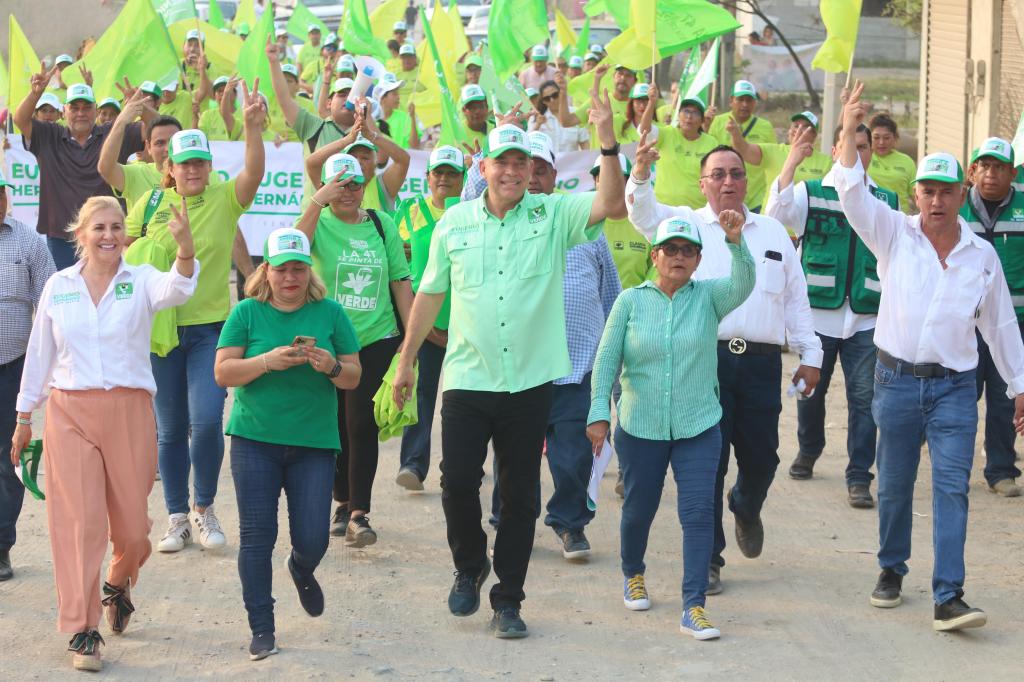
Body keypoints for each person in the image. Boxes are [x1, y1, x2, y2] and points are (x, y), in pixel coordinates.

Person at [389, 91, 625, 639]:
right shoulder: (456, 222)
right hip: (468, 379)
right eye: (505, 162)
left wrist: (608, 140)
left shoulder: (553, 215)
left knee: (520, 496)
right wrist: (405, 362)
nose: (515, 171)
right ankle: (469, 566)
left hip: (530, 383)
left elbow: (610, 204)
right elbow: (427, 294)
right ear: (485, 168)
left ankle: (509, 599)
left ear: (534, 171)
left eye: (525, 163)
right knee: (456, 485)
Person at [834, 82, 1024, 631]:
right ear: (914, 195)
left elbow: (1000, 325)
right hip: (894, 382)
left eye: (945, 191)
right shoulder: (892, 234)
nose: (936, 202)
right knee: (893, 484)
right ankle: (891, 569)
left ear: (961, 195)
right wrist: (850, 128)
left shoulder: (981, 256)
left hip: (955, 390)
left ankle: (949, 595)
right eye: (927, 192)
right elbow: (850, 192)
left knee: (950, 487)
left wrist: (1018, 384)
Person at [626, 137, 823, 594]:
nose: (729, 182)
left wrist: (811, 355)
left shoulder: (772, 231)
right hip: (704, 361)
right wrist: (639, 170)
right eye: (718, 174)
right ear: (703, 184)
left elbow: (796, 296)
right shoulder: (686, 225)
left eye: (736, 173)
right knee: (708, 463)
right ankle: (710, 559)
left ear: (746, 180)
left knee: (763, 458)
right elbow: (641, 214)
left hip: (759, 364)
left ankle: (747, 503)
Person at [12, 195, 197, 671]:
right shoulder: (59, 286)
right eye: (99, 228)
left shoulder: (141, 282)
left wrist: (184, 248)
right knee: (80, 526)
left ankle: (118, 580)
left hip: (130, 411)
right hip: (70, 412)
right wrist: (23, 416)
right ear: (81, 234)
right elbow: (40, 355)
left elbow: (180, 288)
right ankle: (82, 628)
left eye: (116, 227)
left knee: (134, 532)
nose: (109, 236)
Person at [588, 210, 754, 640]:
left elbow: (744, 284)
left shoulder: (709, 297)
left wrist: (736, 243)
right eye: (671, 249)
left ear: (698, 260)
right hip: (641, 428)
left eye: (689, 250)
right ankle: (633, 572)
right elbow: (606, 361)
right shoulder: (630, 301)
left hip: (699, 426)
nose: (679, 257)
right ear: (655, 256)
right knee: (639, 509)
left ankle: (693, 605)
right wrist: (598, 414)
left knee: (699, 514)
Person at [125, 85, 266, 555]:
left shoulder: (226, 197)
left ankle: (204, 509)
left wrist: (251, 129)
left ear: (208, 166)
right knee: (168, 429)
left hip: (211, 331)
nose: (190, 169)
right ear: (168, 169)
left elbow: (255, 172)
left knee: (206, 422)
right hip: (161, 333)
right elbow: (125, 255)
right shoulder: (149, 206)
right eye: (182, 163)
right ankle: (177, 516)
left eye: (198, 162)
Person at [215, 228, 361, 661]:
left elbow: (354, 376)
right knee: (257, 537)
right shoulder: (246, 312)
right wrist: (265, 362)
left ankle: (300, 566)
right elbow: (223, 372)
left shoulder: (330, 313)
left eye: (299, 268)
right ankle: (262, 627)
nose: (291, 278)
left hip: (313, 443)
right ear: (267, 271)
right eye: (282, 269)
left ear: (309, 271)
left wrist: (332, 366)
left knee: (314, 537)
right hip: (254, 438)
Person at [764, 123, 898, 507]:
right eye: (849, 146)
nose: (857, 153)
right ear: (837, 148)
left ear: (871, 151)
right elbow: (776, 214)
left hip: (866, 317)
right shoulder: (811, 192)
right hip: (817, 316)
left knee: (865, 398)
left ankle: (859, 475)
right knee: (810, 393)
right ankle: (809, 448)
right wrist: (791, 161)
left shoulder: (886, 198)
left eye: (864, 146)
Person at [294, 151, 413, 546]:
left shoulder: (382, 224)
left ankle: (359, 511)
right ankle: (341, 499)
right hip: (329, 342)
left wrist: (408, 346)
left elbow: (400, 282)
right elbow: (294, 250)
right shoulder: (319, 223)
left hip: (377, 337)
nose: (349, 192)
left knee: (362, 425)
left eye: (356, 184)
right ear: (326, 188)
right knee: (334, 426)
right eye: (340, 185)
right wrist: (317, 200)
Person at [526, 133, 621, 561]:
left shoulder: (585, 226)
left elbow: (610, 292)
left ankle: (569, 524)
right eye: (520, 168)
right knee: (516, 460)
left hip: (578, 366)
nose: (529, 177)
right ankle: (510, 522)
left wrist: (611, 355)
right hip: (521, 369)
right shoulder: (499, 224)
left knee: (573, 458)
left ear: (553, 176)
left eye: (540, 169)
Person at [14, 72, 147, 270]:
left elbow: (153, 128)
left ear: (95, 110)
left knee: (110, 294)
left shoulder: (115, 131)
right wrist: (35, 94)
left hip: (108, 234)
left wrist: (142, 108)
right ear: (64, 111)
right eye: (74, 108)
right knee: (67, 296)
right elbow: (20, 120)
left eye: (87, 108)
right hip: (62, 238)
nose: (80, 113)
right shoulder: (49, 134)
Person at [395, 147, 467, 491]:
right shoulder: (410, 212)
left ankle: (459, 464)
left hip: (465, 325)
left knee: (461, 401)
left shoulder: (470, 213)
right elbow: (398, 261)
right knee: (420, 393)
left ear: (463, 179)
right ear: (428, 177)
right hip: (423, 324)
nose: (443, 179)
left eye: (452, 173)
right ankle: (412, 463)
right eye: (438, 172)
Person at [959, 137, 1024, 497]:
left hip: (1012, 324)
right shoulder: (955, 208)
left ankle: (1001, 470)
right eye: (984, 166)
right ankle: (954, 468)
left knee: (1005, 397)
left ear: (1012, 173)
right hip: (964, 324)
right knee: (960, 397)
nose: (991, 174)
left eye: (999, 167)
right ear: (973, 171)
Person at [0, 172, 56, 583]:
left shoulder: (29, 241)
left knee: (8, 457)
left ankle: (1, 546)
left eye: (0, 192)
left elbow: (50, 306)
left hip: (12, 367)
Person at [305, 108, 411, 216]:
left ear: (375, 162)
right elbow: (311, 163)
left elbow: (403, 160)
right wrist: (346, 140)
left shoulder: (383, 185)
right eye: (353, 157)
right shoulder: (334, 184)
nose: (358, 162)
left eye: (365, 158)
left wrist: (371, 136)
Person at [728, 110, 831, 211]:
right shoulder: (773, 151)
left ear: (814, 136)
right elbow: (744, 150)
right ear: (789, 131)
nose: (799, 129)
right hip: (772, 225)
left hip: (806, 226)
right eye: (796, 126)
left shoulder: (826, 162)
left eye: (806, 127)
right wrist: (735, 134)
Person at [640, 91, 719, 209]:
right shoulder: (667, 133)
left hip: (697, 211)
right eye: (686, 111)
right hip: (664, 208)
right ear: (678, 115)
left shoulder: (711, 143)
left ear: (702, 120)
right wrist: (651, 103)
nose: (689, 116)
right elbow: (645, 130)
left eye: (696, 113)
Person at [708, 80, 777, 211]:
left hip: (757, 198)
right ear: (731, 100)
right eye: (740, 99)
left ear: (755, 103)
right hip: (725, 195)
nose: (745, 104)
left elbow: (771, 160)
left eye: (749, 100)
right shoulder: (717, 122)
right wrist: (705, 126)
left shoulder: (765, 127)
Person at [868, 113, 917, 213]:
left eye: (886, 138)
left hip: (899, 220)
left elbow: (917, 197)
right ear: (869, 138)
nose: (881, 142)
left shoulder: (907, 161)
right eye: (876, 138)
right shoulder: (863, 157)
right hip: (869, 218)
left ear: (895, 138)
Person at [531, 77, 589, 153]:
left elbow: (584, 143)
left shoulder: (575, 113)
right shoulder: (537, 117)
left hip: (572, 162)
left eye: (555, 95)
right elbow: (529, 142)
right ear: (543, 101)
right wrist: (537, 125)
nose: (552, 100)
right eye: (547, 98)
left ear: (561, 93)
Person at [377, 72, 419, 149]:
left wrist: (412, 117)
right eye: (394, 94)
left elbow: (415, 145)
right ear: (383, 97)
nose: (398, 97)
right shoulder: (372, 119)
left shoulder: (404, 117)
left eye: (398, 93)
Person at [460, 84, 492, 150]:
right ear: (463, 110)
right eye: (472, 107)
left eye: (481, 106)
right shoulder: (455, 133)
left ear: (487, 108)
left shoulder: (495, 130)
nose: (477, 111)